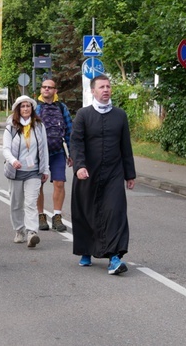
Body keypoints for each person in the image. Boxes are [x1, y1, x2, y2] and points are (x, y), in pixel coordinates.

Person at [70, 75, 136, 275]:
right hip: (88, 173)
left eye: (108, 86)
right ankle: (86, 250)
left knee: (115, 212)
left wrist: (129, 174)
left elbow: (126, 146)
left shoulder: (120, 115)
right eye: (101, 87)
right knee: (87, 212)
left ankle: (114, 258)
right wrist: (79, 166)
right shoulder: (83, 115)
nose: (106, 90)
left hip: (114, 173)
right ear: (93, 91)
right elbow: (76, 142)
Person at [2, 95, 50, 248]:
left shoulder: (39, 125)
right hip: (16, 171)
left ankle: (31, 232)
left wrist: (45, 168)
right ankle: (19, 230)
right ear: (18, 109)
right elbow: (6, 149)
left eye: (28, 106)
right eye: (22, 106)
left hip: (33, 171)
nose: (25, 109)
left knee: (30, 203)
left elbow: (45, 149)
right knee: (16, 204)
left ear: (32, 108)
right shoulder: (11, 127)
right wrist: (13, 160)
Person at [35, 79, 73, 232]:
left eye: (50, 87)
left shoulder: (61, 107)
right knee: (38, 185)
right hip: (39, 154)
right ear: (41, 89)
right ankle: (40, 215)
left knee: (59, 183)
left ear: (55, 90)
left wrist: (72, 153)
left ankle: (57, 216)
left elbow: (69, 130)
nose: (46, 90)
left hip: (58, 152)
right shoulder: (34, 107)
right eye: (44, 87)